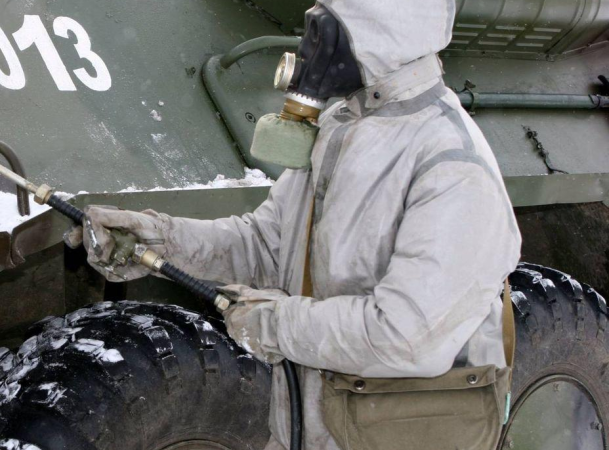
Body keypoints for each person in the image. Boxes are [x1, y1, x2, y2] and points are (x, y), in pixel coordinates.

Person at [66, 0, 521, 448]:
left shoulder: (451, 164)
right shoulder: (344, 125)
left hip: (390, 434)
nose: (311, 33)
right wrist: (160, 241)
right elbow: (266, 244)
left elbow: (405, 337)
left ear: (388, 26)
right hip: (308, 430)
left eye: (332, 19)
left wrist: (272, 324)